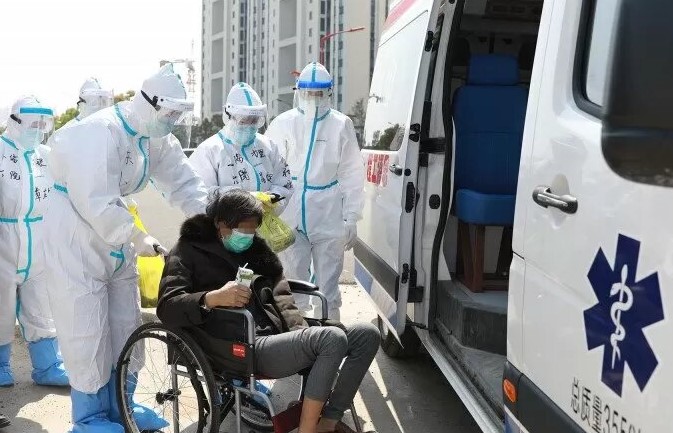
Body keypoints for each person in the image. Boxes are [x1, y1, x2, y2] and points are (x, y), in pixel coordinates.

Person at [44, 64, 208, 433]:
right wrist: (135, 236)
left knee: (125, 321)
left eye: (178, 115)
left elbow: (184, 183)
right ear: (148, 102)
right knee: (85, 326)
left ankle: (123, 405)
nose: (173, 121)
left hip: (117, 232)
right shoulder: (98, 131)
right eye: (169, 113)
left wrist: (215, 218)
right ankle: (88, 418)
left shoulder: (156, 139)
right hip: (77, 232)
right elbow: (93, 199)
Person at [157, 189, 379, 433]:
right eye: (243, 229)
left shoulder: (257, 251)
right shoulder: (187, 250)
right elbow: (168, 306)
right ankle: (308, 430)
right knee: (331, 339)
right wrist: (212, 298)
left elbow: (281, 295)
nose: (248, 236)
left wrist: (300, 334)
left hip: (274, 333)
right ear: (221, 224)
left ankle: (327, 422)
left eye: (253, 230)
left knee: (366, 334)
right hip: (233, 343)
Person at [266, 62, 365, 320]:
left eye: (318, 93)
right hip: (290, 207)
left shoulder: (340, 124)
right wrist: (268, 211)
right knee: (292, 284)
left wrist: (351, 217)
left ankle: (331, 338)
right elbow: (269, 167)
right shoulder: (283, 123)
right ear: (298, 92)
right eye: (308, 92)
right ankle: (297, 343)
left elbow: (352, 172)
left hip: (328, 210)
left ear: (329, 93)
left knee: (329, 287)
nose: (312, 98)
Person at [0, 96, 69, 387]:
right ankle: (2, 366)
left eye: (44, 124)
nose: (38, 129)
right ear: (14, 122)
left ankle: (47, 366)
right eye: (33, 124)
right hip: (5, 238)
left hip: (39, 240)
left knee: (42, 304)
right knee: (0, 305)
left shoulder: (46, 154)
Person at [189, 82, 293, 204]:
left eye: (254, 121)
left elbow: (284, 184)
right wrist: (247, 202)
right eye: (243, 121)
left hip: (265, 219)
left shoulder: (268, 146)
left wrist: (271, 202)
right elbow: (202, 194)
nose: (249, 126)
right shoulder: (210, 150)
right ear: (228, 117)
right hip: (227, 222)